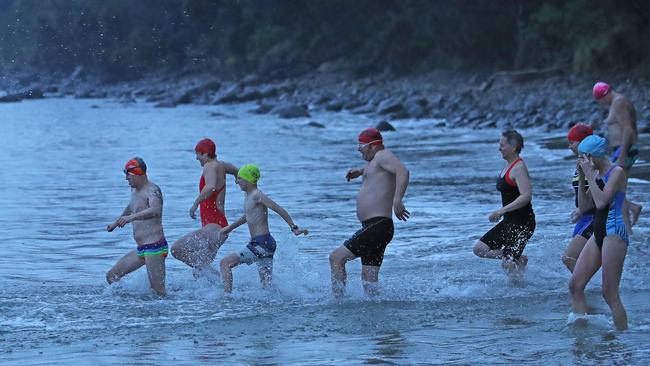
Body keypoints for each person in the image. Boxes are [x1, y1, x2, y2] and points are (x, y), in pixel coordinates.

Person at [329, 128, 410, 297]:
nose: (359, 149)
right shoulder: (374, 162)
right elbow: (371, 170)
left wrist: (397, 201)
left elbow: (403, 171)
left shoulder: (383, 155)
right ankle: (377, 310)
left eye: (361, 145)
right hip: (378, 227)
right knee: (369, 280)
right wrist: (358, 172)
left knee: (336, 258)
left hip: (378, 225)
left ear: (373, 145)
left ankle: (338, 303)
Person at [569, 135, 629, 330]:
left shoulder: (616, 172)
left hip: (614, 232)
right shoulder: (594, 175)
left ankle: (621, 341)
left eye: (582, 158)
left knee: (609, 293)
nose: (581, 162)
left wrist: (589, 174)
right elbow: (585, 206)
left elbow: (602, 202)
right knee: (575, 285)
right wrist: (583, 178)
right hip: (599, 231)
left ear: (591, 156)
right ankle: (580, 332)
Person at [219, 164, 307, 293]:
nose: (236, 181)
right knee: (267, 286)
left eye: (239, 178)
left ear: (248, 180)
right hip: (266, 243)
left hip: (261, 243)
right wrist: (229, 228)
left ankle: (226, 298)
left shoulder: (257, 195)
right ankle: (287, 297)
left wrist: (293, 227)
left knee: (225, 263)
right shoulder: (248, 196)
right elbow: (247, 216)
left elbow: (277, 208)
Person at [171, 138, 238, 277]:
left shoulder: (209, 166)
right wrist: (241, 181)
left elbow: (211, 186)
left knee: (176, 249)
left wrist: (195, 203)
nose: (197, 158)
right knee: (199, 271)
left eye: (198, 154)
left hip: (212, 227)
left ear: (206, 154)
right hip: (221, 228)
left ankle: (220, 277)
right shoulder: (222, 165)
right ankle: (224, 286)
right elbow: (239, 171)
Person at [473, 130, 535, 276]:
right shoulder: (508, 166)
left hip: (523, 223)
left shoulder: (519, 167)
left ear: (513, 147)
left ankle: (520, 293)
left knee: (508, 264)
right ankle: (517, 257)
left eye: (502, 145)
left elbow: (526, 196)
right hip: (510, 221)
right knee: (480, 249)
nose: (499, 148)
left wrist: (501, 211)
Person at [106, 158, 167, 296]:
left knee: (159, 293)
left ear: (139, 174)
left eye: (129, 176)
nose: (126, 179)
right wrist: (116, 222)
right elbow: (132, 207)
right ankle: (128, 305)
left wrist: (130, 218)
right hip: (141, 249)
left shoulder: (153, 190)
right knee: (112, 276)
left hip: (155, 248)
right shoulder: (135, 191)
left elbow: (155, 210)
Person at [593, 81, 642, 230]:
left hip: (623, 150)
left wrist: (622, 156)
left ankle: (632, 208)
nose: (601, 105)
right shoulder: (618, 101)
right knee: (618, 190)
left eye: (600, 101)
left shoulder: (618, 102)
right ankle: (627, 231)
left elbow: (628, 130)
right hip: (620, 149)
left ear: (603, 95)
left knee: (610, 188)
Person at [563, 123, 595, 272]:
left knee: (569, 258)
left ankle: (584, 290)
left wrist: (582, 209)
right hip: (584, 218)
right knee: (579, 261)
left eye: (572, 142)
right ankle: (589, 289)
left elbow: (598, 190)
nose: (569, 146)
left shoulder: (593, 164)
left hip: (594, 218)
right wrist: (579, 209)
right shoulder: (581, 163)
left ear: (583, 143)